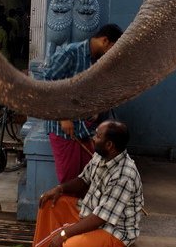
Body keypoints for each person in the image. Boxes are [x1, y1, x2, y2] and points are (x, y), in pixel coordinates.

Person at [32, 120, 143, 247]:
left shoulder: (124, 175)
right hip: (88, 212)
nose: (93, 138)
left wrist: (65, 234)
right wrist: (59, 189)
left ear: (109, 145)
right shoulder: (101, 155)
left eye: (97, 136)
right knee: (50, 201)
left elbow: (100, 218)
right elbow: (83, 179)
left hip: (113, 231)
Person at [43, 23, 123, 184]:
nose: (112, 53)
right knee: (69, 179)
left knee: (87, 179)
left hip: (85, 129)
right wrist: (63, 118)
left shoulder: (97, 61)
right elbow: (48, 84)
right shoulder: (71, 53)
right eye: (113, 48)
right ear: (105, 41)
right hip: (64, 130)